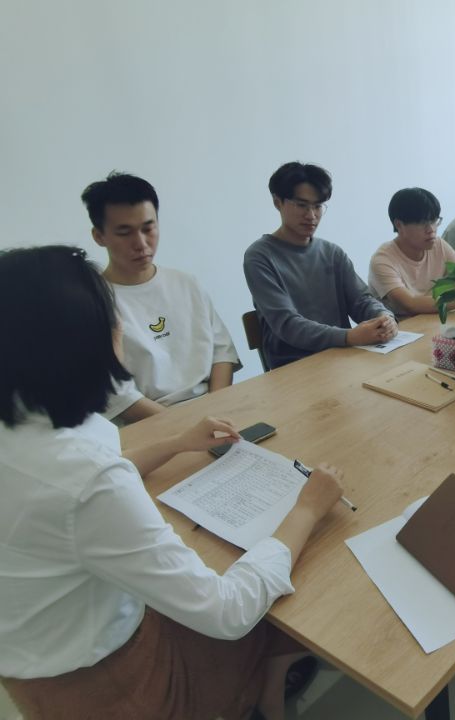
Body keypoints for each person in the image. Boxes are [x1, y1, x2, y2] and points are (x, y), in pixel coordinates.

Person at [0, 245, 345, 720]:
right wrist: (307, 507)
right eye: (114, 318)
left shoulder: (31, 430)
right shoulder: (89, 480)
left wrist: (176, 443)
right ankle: (257, 696)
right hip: (112, 686)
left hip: (39, 659)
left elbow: (80, 480)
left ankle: (264, 699)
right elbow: (226, 612)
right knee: (290, 595)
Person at [82, 173, 241, 423]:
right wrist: (183, 426)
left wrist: (215, 410)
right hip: (149, 424)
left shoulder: (185, 283)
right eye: (124, 232)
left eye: (148, 228)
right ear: (99, 236)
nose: (141, 243)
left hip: (214, 411)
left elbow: (222, 353)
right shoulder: (93, 304)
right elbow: (117, 395)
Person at [244, 162, 397, 369]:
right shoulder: (260, 257)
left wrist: (384, 317)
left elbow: (361, 300)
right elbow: (288, 325)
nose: (311, 215)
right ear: (277, 202)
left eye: (317, 206)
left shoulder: (332, 253)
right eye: (301, 205)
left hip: (344, 358)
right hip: (294, 366)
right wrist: (349, 336)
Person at [367, 187, 455, 316]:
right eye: (422, 223)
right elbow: (410, 304)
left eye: (434, 221)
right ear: (399, 224)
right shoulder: (382, 260)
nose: (431, 229)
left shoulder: (438, 244)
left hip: (433, 321)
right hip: (401, 326)